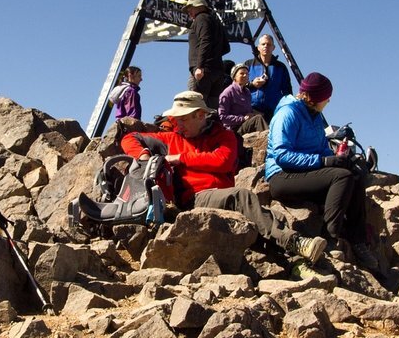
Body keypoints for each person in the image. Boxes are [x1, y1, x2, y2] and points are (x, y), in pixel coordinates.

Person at [122, 90, 326, 264]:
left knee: (268, 216)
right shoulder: (170, 138)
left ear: (200, 115)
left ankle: (295, 261)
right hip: (194, 199)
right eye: (176, 119)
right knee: (241, 197)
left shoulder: (225, 136)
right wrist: (143, 155)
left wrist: (181, 158)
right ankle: (296, 242)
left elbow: (223, 161)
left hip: (220, 196)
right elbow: (129, 138)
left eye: (183, 119)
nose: (178, 125)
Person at [265, 72, 375, 270]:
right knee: (341, 178)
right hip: (282, 176)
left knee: (354, 175)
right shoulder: (288, 113)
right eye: (327, 98)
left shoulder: (315, 117)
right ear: (316, 98)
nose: (329, 101)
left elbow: (322, 148)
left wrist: (340, 160)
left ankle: (358, 240)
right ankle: (329, 237)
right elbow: (282, 155)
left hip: (304, 173)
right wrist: (324, 161)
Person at [185, 0, 229, 106]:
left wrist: (200, 66)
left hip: (203, 71)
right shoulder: (216, 21)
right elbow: (226, 47)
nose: (189, 12)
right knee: (212, 109)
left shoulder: (201, 18)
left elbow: (205, 40)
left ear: (200, 7)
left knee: (196, 106)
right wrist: (214, 56)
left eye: (191, 8)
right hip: (217, 71)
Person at [246, 34, 293, 120]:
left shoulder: (280, 67)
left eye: (269, 44)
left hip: (274, 111)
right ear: (258, 47)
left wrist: (287, 109)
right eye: (263, 44)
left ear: (273, 48)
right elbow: (238, 86)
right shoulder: (248, 65)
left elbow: (287, 91)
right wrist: (252, 84)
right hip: (252, 110)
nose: (266, 46)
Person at [217, 63, 268, 134]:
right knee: (258, 119)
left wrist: (251, 115)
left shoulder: (247, 92)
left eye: (247, 74)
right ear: (234, 76)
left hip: (245, 125)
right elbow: (222, 117)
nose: (245, 75)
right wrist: (242, 118)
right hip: (233, 129)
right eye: (242, 73)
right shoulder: (227, 92)